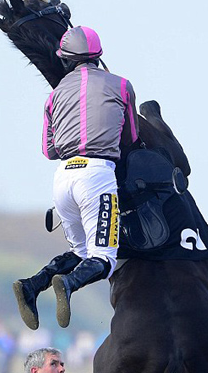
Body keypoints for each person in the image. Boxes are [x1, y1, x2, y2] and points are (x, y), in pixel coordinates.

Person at [13, 25, 140, 330]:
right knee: (105, 259)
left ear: (65, 60)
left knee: (80, 251)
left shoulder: (53, 96)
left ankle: (32, 284)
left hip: (63, 179)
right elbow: (132, 137)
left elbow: (48, 149)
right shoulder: (121, 85)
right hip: (98, 176)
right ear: (98, 56)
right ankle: (67, 285)